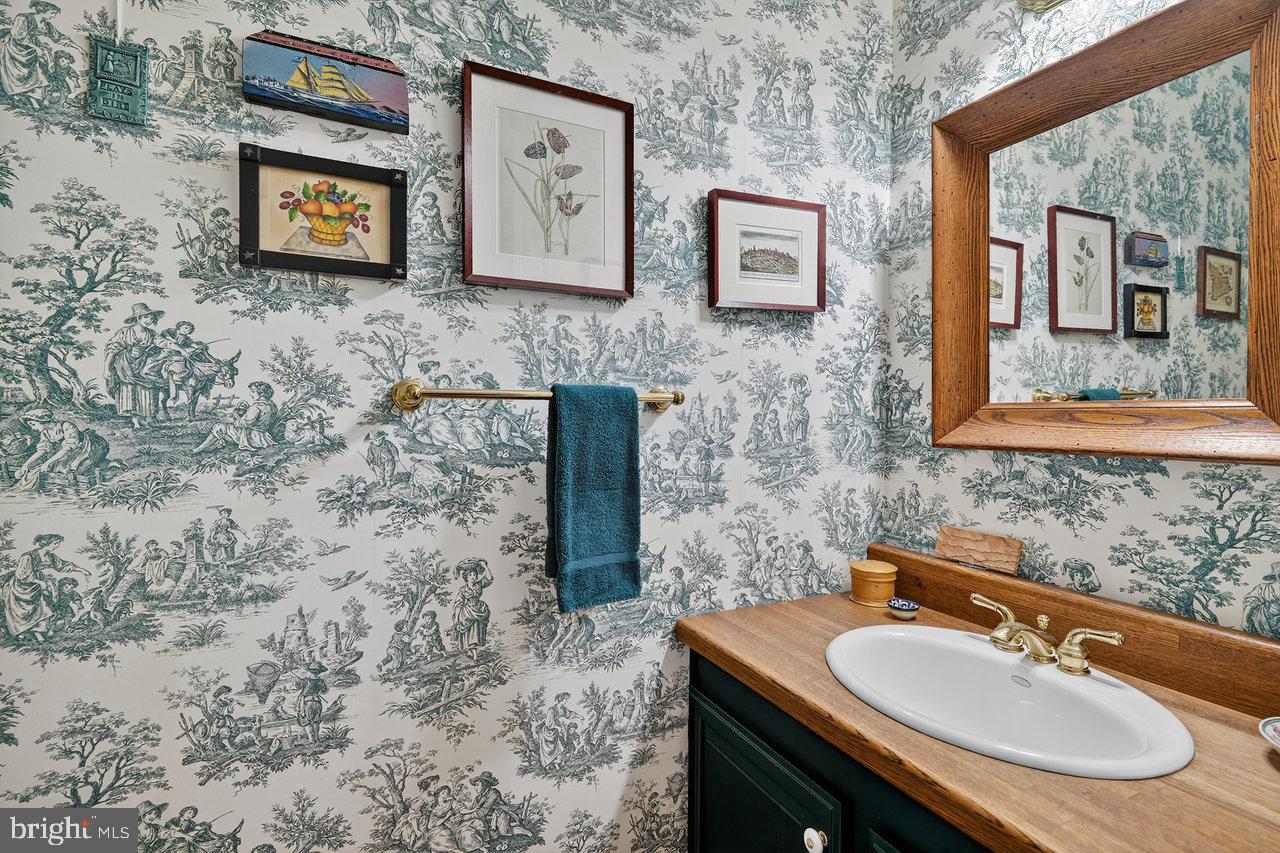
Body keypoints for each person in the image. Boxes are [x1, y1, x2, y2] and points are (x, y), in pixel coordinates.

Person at [1, 533, 81, 641]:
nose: (58, 546)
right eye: (56, 543)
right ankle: (24, 632)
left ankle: (39, 631)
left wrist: (82, 570)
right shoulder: (28, 556)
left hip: (38, 584)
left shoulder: (50, 556)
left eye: (58, 543)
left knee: (44, 604)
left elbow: (63, 565)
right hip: (22, 586)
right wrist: (38, 581)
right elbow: (21, 574)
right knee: (26, 609)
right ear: (46, 544)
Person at [0, 1, 78, 108]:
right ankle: (18, 94)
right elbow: (18, 35)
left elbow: (59, 37)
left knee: (41, 67)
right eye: (52, 13)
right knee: (19, 72)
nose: (53, 16)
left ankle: (34, 96)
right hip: (16, 47)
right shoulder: (23, 18)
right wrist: (36, 48)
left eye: (55, 14)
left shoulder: (46, 25)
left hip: (33, 47)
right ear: (43, 11)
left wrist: (78, 48)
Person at [12, 408, 111, 491]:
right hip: (75, 452)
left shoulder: (67, 426)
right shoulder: (45, 433)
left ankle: (110, 464)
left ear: (43, 421)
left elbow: (67, 449)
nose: (33, 428)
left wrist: (47, 463)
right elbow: (42, 450)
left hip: (93, 448)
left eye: (33, 424)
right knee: (59, 470)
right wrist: (26, 465)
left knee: (79, 472)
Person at [104, 303, 166, 428]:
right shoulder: (125, 332)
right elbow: (112, 350)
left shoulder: (152, 334)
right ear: (138, 318)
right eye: (145, 317)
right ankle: (135, 421)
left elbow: (164, 342)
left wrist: (182, 350)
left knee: (147, 390)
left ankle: (147, 419)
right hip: (125, 365)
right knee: (128, 391)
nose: (149, 320)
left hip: (143, 363)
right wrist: (106, 368)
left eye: (151, 318)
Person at [193, 382, 277, 452]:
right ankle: (215, 444)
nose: (250, 394)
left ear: (261, 393)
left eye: (253, 391)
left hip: (251, 437)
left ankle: (198, 449)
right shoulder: (273, 406)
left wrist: (232, 420)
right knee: (223, 427)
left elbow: (244, 423)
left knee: (219, 426)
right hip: (264, 437)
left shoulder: (256, 406)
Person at [452, 558, 492, 657]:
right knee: (470, 632)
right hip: (468, 611)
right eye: (470, 575)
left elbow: (490, 578)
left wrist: (485, 566)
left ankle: (473, 651)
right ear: (466, 577)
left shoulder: (479, 585)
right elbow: (458, 604)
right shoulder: (463, 589)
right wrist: (456, 619)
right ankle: (474, 654)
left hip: (480, 609)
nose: (473, 577)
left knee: (478, 631)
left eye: (474, 574)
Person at [296, 661, 328, 743]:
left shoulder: (305, 681)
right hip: (317, 702)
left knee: (307, 722)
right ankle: (317, 738)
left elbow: (297, 686)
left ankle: (311, 740)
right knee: (316, 721)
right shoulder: (321, 681)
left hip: (307, 703)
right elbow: (324, 691)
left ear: (310, 671)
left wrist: (301, 682)